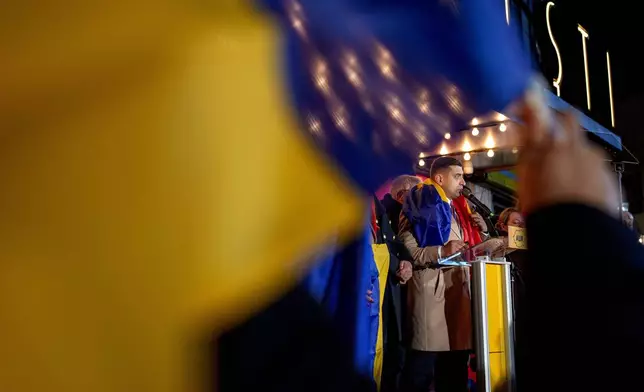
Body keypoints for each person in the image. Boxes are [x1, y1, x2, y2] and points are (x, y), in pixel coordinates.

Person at [398, 157, 488, 392]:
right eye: (457, 176)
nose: (463, 182)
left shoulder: (456, 210)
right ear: (439, 178)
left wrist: (487, 241)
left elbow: (461, 251)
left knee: (455, 372)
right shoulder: (417, 204)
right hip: (431, 295)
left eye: (463, 176)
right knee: (421, 373)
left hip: (457, 296)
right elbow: (409, 252)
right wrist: (441, 250)